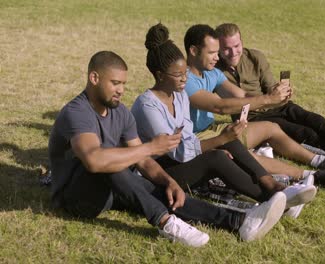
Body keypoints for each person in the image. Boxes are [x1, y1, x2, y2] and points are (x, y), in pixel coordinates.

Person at [48, 50, 288, 247]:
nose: (121, 89)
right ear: (94, 78)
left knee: (161, 190)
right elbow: (94, 161)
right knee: (112, 163)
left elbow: (143, 161)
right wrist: (151, 146)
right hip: (75, 197)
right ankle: (165, 222)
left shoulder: (120, 112)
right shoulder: (76, 112)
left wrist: (168, 182)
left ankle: (239, 221)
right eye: (115, 83)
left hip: (111, 191)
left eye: (123, 83)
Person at [131, 23, 318, 219]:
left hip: (179, 159)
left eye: (185, 73)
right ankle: (276, 199)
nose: (184, 79)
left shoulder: (179, 95)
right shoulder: (147, 106)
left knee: (227, 140)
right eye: (178, 75)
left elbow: (187, 138)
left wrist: (223, 139)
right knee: (218, 154)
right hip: (158, 173)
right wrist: (217, 142)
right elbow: (178, 152)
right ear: (160, 75)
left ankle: (273, 185)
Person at [183, 24, 325, 174]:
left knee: (272, 127)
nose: (217, 57)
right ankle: (309, 176)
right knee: (242, 155)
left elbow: (241, 95)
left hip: (214, 129)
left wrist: (275, 98)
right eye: (212, 52)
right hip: (196, 140)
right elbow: (220, 107)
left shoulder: (213, 73)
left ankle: (321, 161)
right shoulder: (184, 80)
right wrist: (268, 98)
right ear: (194, 51)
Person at [214, 23, 325, 164]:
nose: (233, 52)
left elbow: (270, 87)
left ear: (242, 42)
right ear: (218, 49)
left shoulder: (255, 57)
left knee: (314, 120)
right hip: (253, 118)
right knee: (302, 132)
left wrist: (282, 92)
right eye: (226, 49)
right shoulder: (214, 70)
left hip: (276, 105)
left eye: (236, 46)